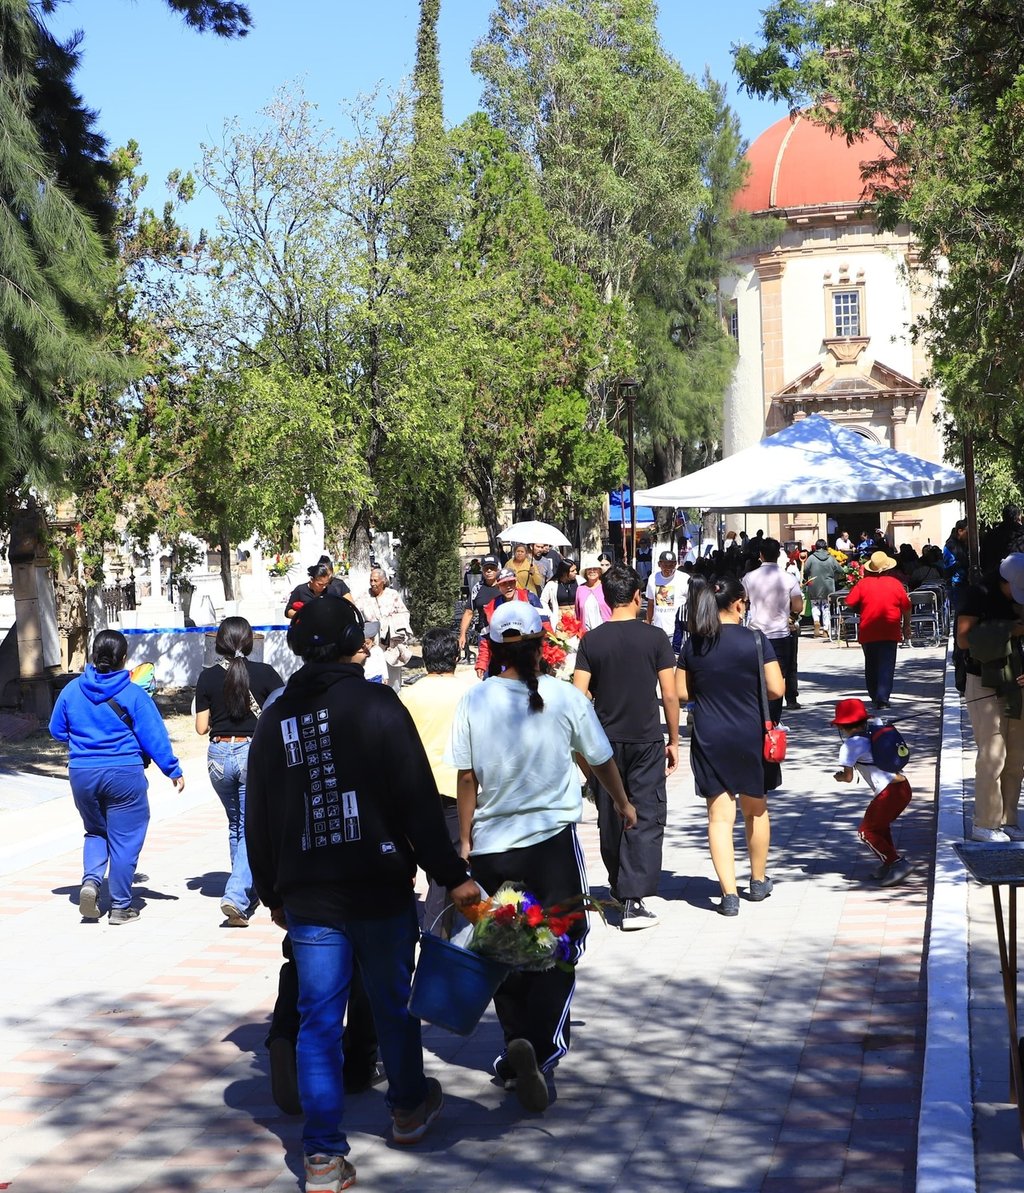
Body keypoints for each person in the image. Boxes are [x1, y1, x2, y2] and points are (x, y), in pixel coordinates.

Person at [245, 597, 480, 1190]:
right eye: (363, 638)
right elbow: (417, 803)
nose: (370, 647)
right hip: (378, 887)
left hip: (310, 895)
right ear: (350, 643)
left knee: (318, 1019)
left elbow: (260, 814)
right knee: (392, 1002)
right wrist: (451, 873)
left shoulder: (275, 720)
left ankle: (321, 1156)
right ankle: (406, 1108)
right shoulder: (377, 705)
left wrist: (270, 888)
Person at [448, 601, 636, 1112]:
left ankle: (515, 1051)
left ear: (492, 648)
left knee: (504, 946)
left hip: (490, 847)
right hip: (551, 843)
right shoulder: (562, 696)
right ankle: (542, 1048)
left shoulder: (474, 700)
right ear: (543, 645)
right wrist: (620, 803)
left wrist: (465, 840)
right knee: (564, 940)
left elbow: (466, 778)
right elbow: (599, 758)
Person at [49, 630, 184, 924]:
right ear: (124, 659)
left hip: (82, 773)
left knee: (96, 831)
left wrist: (84, 740)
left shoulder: (72, 690)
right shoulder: (133, 693)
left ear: (93, 656)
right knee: (124, 839)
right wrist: (172, 769)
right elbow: (153, 735)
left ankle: (91, 882)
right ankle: (121, 906)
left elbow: (57, 730)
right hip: (124, 773)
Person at [573, 565, 678, 930]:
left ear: (604, 597)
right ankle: (634, 899)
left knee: (611, 813)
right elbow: (669, 693)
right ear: (638, 596)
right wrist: (675, 738)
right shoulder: (656, 638)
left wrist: (579, 747)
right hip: (646, 738)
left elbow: (577, 696)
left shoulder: (591, 641)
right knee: (645, 814)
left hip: (603, 743)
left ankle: (621, 887)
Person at [676, 577, 785, 917]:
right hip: (751, 734)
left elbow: (681, 693)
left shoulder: (694, 645)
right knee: (756, 810)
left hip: (710, 735)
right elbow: (777, 688)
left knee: (719, 818)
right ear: (739, 603)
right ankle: (757, 880)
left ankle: (728, 895)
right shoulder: (755, 640)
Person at [194, 616, 284, 927]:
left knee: (237, 824)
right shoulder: (266, 674)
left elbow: (201, 727)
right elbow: (281, 711)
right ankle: (236, 894)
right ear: (249, 641)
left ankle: (244, 889)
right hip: (252, 753)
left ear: (219, 642)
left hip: (218, 755)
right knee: (250, 825)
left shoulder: (206, 678)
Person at [399, 626, 478, 934]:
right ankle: (437, 936)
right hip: (458, 791)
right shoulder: (471, 692)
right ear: (456, 656)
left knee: (431, 865)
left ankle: (429, 930)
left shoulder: (408, 695)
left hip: (416, 792)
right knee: (450, 867)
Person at [956, 555, 1024, 842]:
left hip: (1015, 679)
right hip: (983, 681)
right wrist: (1011, 629)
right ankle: (984, 822)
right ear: (1003, 580)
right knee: (993, 754)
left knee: (1016, 755)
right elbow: (963, 640)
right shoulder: (978, 595)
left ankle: (1009, 819)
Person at [830, 698, 913, 885]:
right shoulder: (873, 734)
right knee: (880, 826)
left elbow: (848, 777)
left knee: (866, 832)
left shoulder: (849, 746)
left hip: (888, 792)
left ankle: (896, 863)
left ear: (842, 727)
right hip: (903, 787)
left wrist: (839, 777)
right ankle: (888, 862)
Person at [742, 538, 803, 718]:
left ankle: (759, 715)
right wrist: (789, 616)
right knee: (778, 677)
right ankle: (774, 720)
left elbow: (742, 602)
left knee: (756, 677)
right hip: (780, 634)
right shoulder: (789, 578)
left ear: (760, 555)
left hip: (755, 634)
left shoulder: (749, 577)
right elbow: (798, 606)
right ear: (778, 555)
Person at [844, 551, 912, 711]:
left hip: (868, 630)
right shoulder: (896, 584)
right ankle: (882, 697)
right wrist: (906, 625)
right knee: (887, 664)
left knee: (871, 664)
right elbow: (906, 607)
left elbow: (849, 602)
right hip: (890, 629)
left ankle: (874, 694)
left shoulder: (863, 584)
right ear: (887, 568)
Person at [474, 567, 549, 678]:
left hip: (530, 654)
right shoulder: (491, 607)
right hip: (504, 657)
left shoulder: (530, 598)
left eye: (511, 582)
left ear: (516, 582)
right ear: (498, 586)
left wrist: (547, 655)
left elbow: (546, 628)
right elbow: (486, 638)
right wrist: (482, 663)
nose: (508, 587)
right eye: (504, 584)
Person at [357, 566, 413, 691]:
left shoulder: (392, 595)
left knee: (393, 679)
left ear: (383, 581)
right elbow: (356, 614)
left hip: (390, 642)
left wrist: (389, 624)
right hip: (372, 642)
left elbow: (404, 613)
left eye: (375, 581)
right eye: (371, 580)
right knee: (373, 675)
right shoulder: (364, 596)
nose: (372, 584)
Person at [458, 554, 501, 658]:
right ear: (482, 570)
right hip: (484, 634)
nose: (489, 571)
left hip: (503, 633)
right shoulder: (477, 588)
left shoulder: (504, 586)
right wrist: (463, 634)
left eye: (492, 568)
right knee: (485, 667)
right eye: (486, 568)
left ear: (498, 569)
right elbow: (469, 612)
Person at [803, 539, 846, 639]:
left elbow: (805, 570)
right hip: (828, 586)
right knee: (826, 608)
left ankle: (816, 621)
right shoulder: (831, 558)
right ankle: (826, 629)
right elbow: (840, 570)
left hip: (814, 585)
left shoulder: (811, 558)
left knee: (815, 606)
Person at [285, 560, 353, 620]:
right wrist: (301, 615)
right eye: (320, 584)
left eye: (326, 584)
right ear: (312, 580)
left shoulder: (330, 590)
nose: (323, 587)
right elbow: (287, 611)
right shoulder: (300, 590)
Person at [645, 550, 690, 642]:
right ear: (659, 564)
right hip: (658, 631)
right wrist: (648, 622)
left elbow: (692, 601)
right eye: (665, 565)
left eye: (671, 565)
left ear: (676, 564)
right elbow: (650, 603)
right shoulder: (653, 578)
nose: (668, 568)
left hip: (678, 631)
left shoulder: (685, 578)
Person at [981, 505, 1023, 574]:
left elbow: (984, 559)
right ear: (1018, 517)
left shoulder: (991, 535)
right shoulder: (1021, 535)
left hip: (997, 577)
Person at [575, 554, 612, 631]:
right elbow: (577, 613)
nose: (592, 571)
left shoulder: (606, 586)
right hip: (586, 632)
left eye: (595, 569)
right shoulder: (580, 589)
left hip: (606, 630)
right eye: (589, 569)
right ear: (585, 572)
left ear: (600, 571)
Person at [540, 557, 578, 626]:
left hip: (576, 618)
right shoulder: (552, 584)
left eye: (575, 570)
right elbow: (543, 600)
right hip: (559, 619)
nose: (576, 572)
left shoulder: (580, 581)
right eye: (572, 571)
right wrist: (550, 615)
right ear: (564, 573)